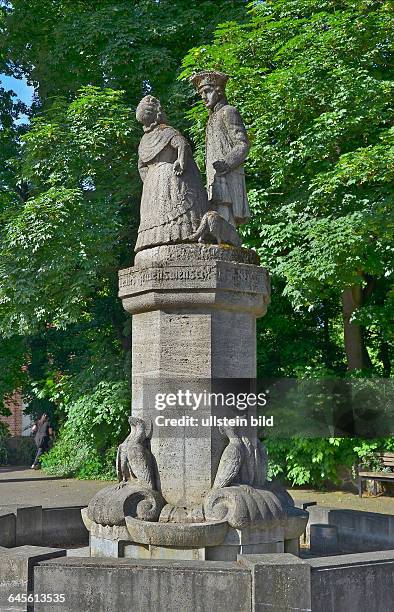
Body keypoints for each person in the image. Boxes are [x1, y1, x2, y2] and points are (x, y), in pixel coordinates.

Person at [134, 95, 208, 252]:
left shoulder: (166, 131)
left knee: (177, 213)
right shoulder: (144, 140)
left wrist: (180, 161)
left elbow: (181, 144)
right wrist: (150, 181)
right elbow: (141, 165)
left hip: (170, 177)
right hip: (156, 183)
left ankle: (182, 235)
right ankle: (157, 239)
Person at [190, 71, 250, 228]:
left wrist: (226, 163)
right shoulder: (210, 119)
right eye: (201, 93)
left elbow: (242, 144)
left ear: (218, 91)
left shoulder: (228, 111)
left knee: (226, 219)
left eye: (206, 91)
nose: (203, 97)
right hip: (214, 178)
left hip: (228, 176)